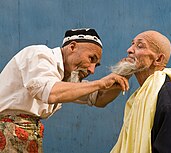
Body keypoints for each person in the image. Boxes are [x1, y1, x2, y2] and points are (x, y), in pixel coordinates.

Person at [0, 28, 129, 152]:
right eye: (91, 59)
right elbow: (50, 92)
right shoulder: (39, 54)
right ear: (72, 47)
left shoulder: (64, 78)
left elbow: (99, 98)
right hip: (7, 133)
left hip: (26, 137)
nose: (92, 70)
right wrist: (100, 83)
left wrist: (125, 73)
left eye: (96, 65)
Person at [109, 30, 171, 153]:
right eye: (132, 44)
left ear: (158, 59)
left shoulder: (170, 99)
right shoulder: (141, 96)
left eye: (139, 46)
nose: (129, 50)